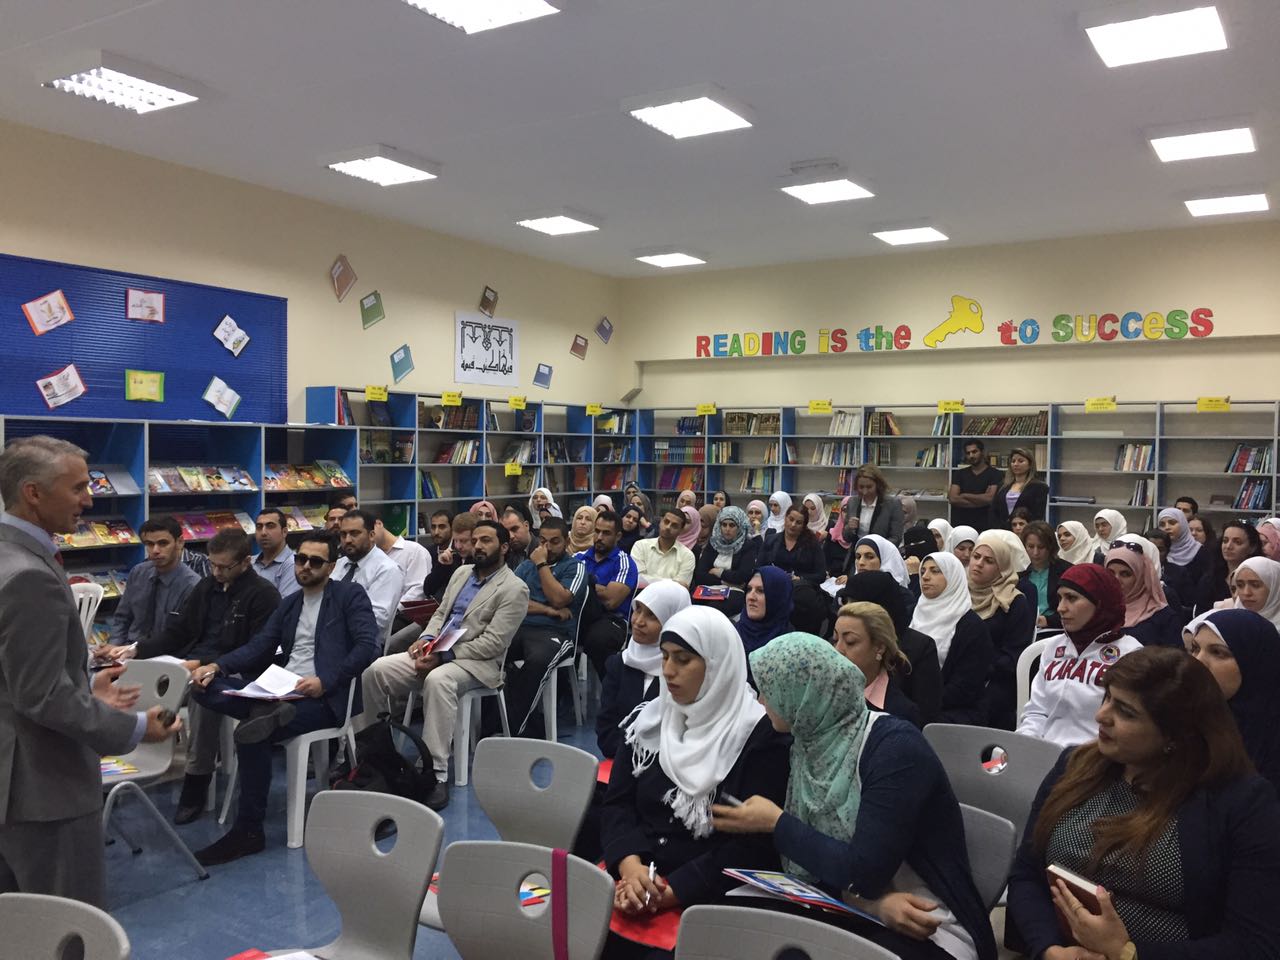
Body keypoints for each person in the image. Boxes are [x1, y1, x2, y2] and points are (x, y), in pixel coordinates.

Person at [716, 634, 998, 960]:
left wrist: (776, 823)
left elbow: (864, 873)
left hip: (927, 922)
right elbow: (826, 870)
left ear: (804, 694)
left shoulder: (895, 749)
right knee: (734, 932)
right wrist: (872, 905)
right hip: (853, 906)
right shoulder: (808, 744)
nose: (762, 699)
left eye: (772, 688)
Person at [1008, 646, 1280, 960]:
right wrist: (1047, 948)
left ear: (1174, 735)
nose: (1101, 716)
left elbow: (1255, 944)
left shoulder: (1241, 803)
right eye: (1107, 698)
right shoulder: (1075, 766)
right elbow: (1027, 873)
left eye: (1126, 712)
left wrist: (1127, 953)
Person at [0, 436, 179, 906]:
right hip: (43, 791)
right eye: (77, 487)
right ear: (33, 493)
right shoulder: (29, 575)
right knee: (68, 924)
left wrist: (82, 687)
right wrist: (135, 727)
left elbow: (17, 677)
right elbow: (41, 696)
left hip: (13, 786)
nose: (89, 499)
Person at [602, 608, 790, 959]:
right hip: (636, 874)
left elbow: (752, 847)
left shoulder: (759, 738)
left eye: (683, 659)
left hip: (708, 892)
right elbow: (617, 803)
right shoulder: (650, 720)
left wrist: (670, 891)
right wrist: (630, 867)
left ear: (717, 666)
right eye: (664, 656)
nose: (668, 670)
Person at [189, 531, 381, 864]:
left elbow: (367, 646)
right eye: (301, 559)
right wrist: (218, 666)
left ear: (331, 566)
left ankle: (248, 831)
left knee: (253, 732)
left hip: (323, 698)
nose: (305, 566)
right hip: (281, 689)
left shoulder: (349, 595)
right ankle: (266, 711)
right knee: (203, 688)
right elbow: (261, 645)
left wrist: (325, 681)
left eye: (315, 562)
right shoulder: (291, 602)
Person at [107, 527, 280, 823]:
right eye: (212, 565)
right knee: (130, 680)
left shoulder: (264, 595)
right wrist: (136, 649)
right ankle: (118, 763)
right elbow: (179, 631)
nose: (217, 572)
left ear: (245, 562)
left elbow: (255, 649)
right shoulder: (207, 586)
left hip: (235, 671)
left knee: (203, 692)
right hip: (189, 663)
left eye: (224, 567)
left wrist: (206, 663)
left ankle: (197, 777)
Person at [359, 520, 528, 808]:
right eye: (475, 540)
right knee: (375, 671)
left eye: (486, 540)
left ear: (503, 547)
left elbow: (493, 644)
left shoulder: (514, 588)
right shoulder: (462, 573)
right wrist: (426, 639)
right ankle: (376, 757)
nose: (477, 546)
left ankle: (435, 772)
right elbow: (440, 614)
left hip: (476, 663)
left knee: (438, 680)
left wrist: (443, 656)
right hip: (436, 650)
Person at [1018, 564, 1142, 747]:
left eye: (1071, 598)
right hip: (1043, 753)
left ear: (1100, 602)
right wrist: (1023, 747)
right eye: (1059, 598)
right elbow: (1036, 712)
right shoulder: (1053, 647)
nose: (1060, 608)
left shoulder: (1130, 654)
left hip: (1097, 756)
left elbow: (1127, 728)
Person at [498, 516, 589, 737]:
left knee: (538, 661)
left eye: (554, 541)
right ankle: (493, 721)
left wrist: (541, 564)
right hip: (521, 628)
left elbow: (559, 599)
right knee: (490, 649)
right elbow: (510, 601)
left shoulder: (575, 567)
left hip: (556, 633)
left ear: (567, 541)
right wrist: (547, 610)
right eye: (543, 541)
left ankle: (513, 729)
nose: (547, 547)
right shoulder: (525, 567)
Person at [1183, 608, 1280, 790]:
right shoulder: (1185, 718)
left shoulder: (1271, 738)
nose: (1198, 661)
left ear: (1252, 663)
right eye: (1195, 649)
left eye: (1218, 653)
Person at [596, 581, 692, 759]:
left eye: (652, 616)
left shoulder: (688, 672)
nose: (638, 621)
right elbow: (606, 733)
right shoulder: (620, 664)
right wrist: (637, 756)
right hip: (625, 763)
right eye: (637, 609)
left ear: (673, 620)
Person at [841, 571, 943, 727]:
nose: (848, 609)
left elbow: (926, 714)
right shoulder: (839, 643)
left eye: (856, 604)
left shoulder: (919, 647)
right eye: (845, 602)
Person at [911, 553, 994, 726]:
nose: (925, 577)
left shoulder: (972, 627)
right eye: (923, 571)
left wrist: (922, 703)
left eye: (935, 571)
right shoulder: (913, 614)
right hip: (915, 704)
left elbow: (965, 687)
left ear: (952, 577)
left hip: (956, 711)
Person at [969, 531, 1036, 730]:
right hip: (958, 675)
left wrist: (977, 670)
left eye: (989, 561)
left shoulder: (1014, 601)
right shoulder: (959, 593)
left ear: (1002, 568)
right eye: (976, 556)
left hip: (995, 678)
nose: (979, 564)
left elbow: (1013, 655)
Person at [109, 515, 201, 647]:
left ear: (180, 542)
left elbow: (183, 637)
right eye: (150, 544)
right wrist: (114, 646)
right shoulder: (138, 573)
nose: (155, 550)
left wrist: (138, 652)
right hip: (128, 647)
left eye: (163, 543)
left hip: (164, 652)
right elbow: (122, 618)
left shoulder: (192, 585)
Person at [834, 602, 921, 726]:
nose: (838, 649)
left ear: (879, 647)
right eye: (835, 640)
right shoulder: (820, 691)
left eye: (850, 642)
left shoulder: (900, 713)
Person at [577, 511, 639, 680]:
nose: (599, 537)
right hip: (581, 616)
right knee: (555, 633)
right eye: (597, 531)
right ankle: (565, 688)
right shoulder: (579, 558)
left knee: (598, 640)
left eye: (606, 533)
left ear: (618, 536)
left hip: (612, 619)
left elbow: (611, 601)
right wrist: (598, 588)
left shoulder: (624, 563)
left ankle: (612, 687)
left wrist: (584, 583)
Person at [332, 509, 405, 642]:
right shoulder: (340, 564)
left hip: (363, 643)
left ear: (371, 535)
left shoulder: (387, 569)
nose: (347, 540)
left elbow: (376, 620)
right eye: (343, 534)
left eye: (354, 534)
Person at [759, 505, 828, 635]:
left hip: (802, 594)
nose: (793, 525)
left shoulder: (812, 544)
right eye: (791, 519)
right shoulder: (771, 540)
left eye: (798, 522)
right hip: (775, 590)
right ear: (785, 518)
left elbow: (820, 575)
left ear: (804, 525)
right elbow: (759, 568)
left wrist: (800, 578)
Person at [1104, 543, 1182, 647]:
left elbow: (1175, 655)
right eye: (1110, 573)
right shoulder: (1096, 611)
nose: (1116, 579)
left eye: (1125, 574)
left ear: (1141, 577)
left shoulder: (1164, 617)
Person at [692, 506, 759, 614]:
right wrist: (725, 581)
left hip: (734, 592)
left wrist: (719, 572)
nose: (727, 529)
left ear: (739, 526)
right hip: (709, 589)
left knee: (714, 608)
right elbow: (700, 575)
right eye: (724, 525)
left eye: (732, 525)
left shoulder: (747, 546)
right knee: (693, 605)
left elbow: (742, 576)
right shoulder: (713, 543)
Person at [1195, 520, 1263, 614]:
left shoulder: (1262, 578)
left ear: (1252, 548)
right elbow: (1201, 615)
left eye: (1237, 542)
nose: (1228, 546)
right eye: (1225, 541)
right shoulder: (1210, 579)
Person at [373, 514, 432, 616]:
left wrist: (390, 612)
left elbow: (418, 590)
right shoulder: (371, 556)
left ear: (378, 524)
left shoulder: (413, 551)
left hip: (404, 615)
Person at [1024, 521, 1073, 629]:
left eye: (1041, 547)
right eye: (1031, 546)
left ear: (1050, 546)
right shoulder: (1020, 572)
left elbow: (1075, 610)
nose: (1035, 553)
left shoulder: (1067, 571)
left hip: (1056, 629)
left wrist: (1048, 620)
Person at [631, 507, 696, 588]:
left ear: (681, 530)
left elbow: (680, 588)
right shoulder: (640, 546)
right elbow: (638, 580)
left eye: (674, 525)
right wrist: (671, 582)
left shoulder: (687, 556)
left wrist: (649, 581)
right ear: (660, 522)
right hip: (641, 594)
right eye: (666, 522)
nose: (668, 527)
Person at [736, 567, 795, 655]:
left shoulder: (791, 646)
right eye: (749, 589)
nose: (750, 597)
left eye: (760, 591)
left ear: (778, 598)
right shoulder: (732, 633)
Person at [948, 439, 1002, 533]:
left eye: (974, 452)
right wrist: (981, 500)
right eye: (968, 453)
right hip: (961, 525)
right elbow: (953, 499)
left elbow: (990, 499)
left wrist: (964, 495)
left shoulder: (995, 474)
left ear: (982, 452)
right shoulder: (959, 474)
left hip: (985, 525)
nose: (971, 456)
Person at [842, 464, 904, 544]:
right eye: (861, 487)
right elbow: (846, 538)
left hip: (882, 550)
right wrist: (849, 528)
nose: (864, 492)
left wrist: (875, 548)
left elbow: (896, 538)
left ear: (878, 485)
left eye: (869, 487)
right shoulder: (852, 502)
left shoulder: (892, 504)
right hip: (857, 549)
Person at [990, 447, 1049, 528]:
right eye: (1013, 461)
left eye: (1020, 461)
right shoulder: (1003, 485)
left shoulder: (1039, 487)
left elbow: (1037, 515)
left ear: (1030, 464)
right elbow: (994, 510)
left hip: (1026, 530)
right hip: (1002, 530)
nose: (1016, 464)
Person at [1157, 507, 1208, 601]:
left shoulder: (1200, 551)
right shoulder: (1157, 552)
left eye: (1172, 523)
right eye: (1162, 525)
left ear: (1183, 524)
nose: (1167, 527)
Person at [423, 511, 475, 600]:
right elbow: (428, 590)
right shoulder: (453, 556)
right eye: (455, 540)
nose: (458, 546)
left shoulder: (482, 562)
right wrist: (442, 567)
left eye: (464, 541)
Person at [1220, 555, 1280, 631]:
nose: (1246, 593)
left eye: (1255, 585)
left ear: (1275, 587)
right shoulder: (1226, 623)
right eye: (1240, 585)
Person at [252, 507, 299, 597]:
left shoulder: (294, 564)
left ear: (284, 532)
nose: (263, 533)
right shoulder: (250, 562)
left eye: (270, 526)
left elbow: (284, 603)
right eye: (259, 527)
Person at [498, 505, 533, 570]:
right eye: (506, 532)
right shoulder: (504, 554)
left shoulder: (543, 550)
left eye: (514, 529)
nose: (511, 536)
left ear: (526, 525)